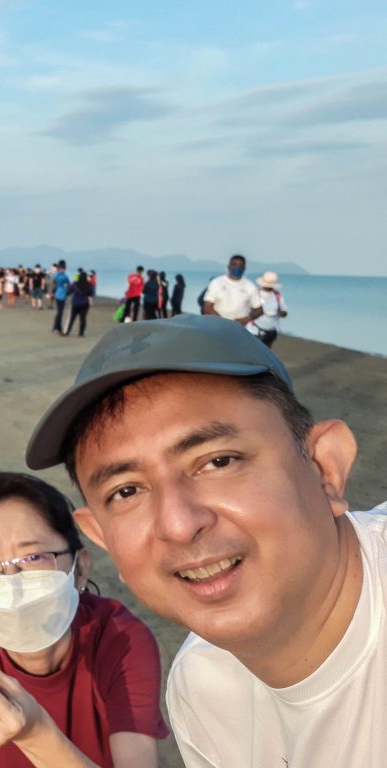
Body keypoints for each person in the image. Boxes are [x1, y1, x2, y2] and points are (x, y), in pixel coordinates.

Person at [25, 314, 386, 767]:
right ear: (102, 536)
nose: (178, 524)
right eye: (126, 491)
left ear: (323, 468)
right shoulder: (201, 689)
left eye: (218, 461)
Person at [0, 473, 168, 768]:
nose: (12, 580)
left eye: (34, 557)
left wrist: (35, 734)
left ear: (80, 568)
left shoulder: (122, 642)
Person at [201, 254, 262, 325]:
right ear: (228, 267)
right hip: (217, 325)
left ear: (244, 269)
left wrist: (247, 318)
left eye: (240, 266)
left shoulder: (250, 286)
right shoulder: (217, 282)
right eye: (234, 264)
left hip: (239, 328)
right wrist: (223, 322)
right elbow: (207, 307)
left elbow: (259, 309)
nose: (237, 267)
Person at [248, 271, 288, 347]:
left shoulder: (277, 295)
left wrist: (281, 313)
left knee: (266, 353)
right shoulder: (255, 293)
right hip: (255, 330)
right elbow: (248, 310)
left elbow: (285, 312)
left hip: (271, 331)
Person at [64, 271, 94, 337]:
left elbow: (69, 291)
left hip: (75, 303)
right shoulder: (88, 285)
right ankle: (81, 333)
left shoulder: (75, 284)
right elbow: (91, 294)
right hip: (84, 304)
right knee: (83, 318)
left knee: (72, 318)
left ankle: (67, 332)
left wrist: (67, 288)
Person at [51, 260, 71, 334]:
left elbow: (53, 283)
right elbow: (69, 284)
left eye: (63, 268)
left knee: (60, 312)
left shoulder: (58, 275)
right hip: (60, 295)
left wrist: (53, 291)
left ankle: (56, 328)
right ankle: (57, 328)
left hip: (60, 294)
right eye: (62, 268)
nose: (63, 269)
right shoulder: (63, 276)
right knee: (60, 312)